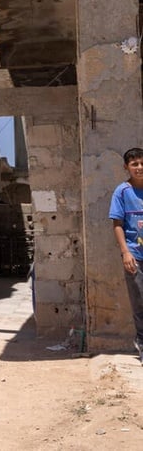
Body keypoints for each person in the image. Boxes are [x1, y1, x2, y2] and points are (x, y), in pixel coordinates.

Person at [109, 147, 143, 365]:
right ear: (126, 167)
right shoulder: (122, 192)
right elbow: (117, 224)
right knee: (139, 301)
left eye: (142, 163)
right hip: (135, 255)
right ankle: (141, 342)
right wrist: (125, 252)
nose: (139, 168)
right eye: (135, 164)